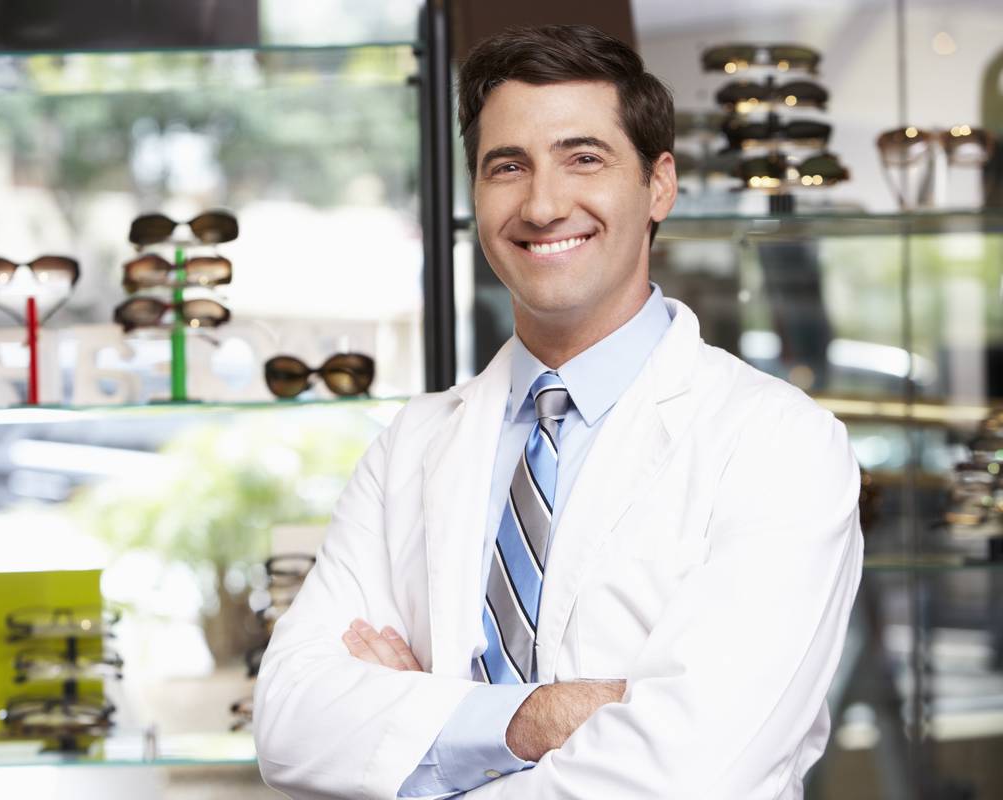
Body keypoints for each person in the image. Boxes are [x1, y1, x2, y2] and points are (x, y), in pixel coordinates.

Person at [254, 24, 863, 799]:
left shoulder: (780, 445)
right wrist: (535, 719)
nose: (542, 204)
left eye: (584, 158)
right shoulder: (412, 443)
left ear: (659, 185)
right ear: (474, 194)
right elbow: (289, 725)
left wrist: (418, 733)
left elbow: (683, 775)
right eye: (507, 166)